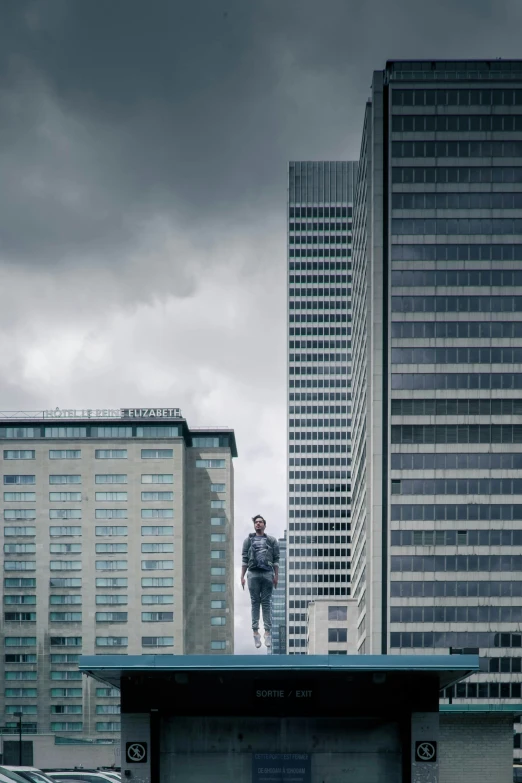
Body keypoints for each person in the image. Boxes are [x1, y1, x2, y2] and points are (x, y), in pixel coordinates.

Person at [241, 515, 280, 649]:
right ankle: (255, 632)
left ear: (264, 525)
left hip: (268, 573)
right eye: (256, 522)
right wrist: (242, 576)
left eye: (260, 522)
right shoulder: (248, 541)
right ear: (254, 525)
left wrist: (276, 576)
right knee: (255, 602)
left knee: (266, 603)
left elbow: (276, 559)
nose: (258, 524)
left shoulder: (271, 540)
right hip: (253, 573)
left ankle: (267, 633)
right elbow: (244, 559)